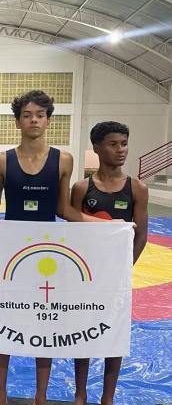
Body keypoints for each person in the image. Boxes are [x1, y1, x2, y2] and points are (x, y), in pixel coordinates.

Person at [0, 90, 101, 405]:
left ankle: (41, 396)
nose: (34, 120)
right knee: (3, 318)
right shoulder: (2, 160)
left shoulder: (64, 160)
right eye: (27, 115)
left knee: (45, 320)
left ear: (48, 121)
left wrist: (109, 226)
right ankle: (1, 394)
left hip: (47, 254)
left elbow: (64, 209)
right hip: (10, 253)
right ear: (18, 121)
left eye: (40, 115)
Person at [71, 121, 148, 405]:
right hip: (86, 277)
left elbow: (141, 235)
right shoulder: (82, 188)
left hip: (116, 280)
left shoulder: (137, 188)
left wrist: (124, 270)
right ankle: (80, 394)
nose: (121, 150)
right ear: (97, 148)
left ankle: (108, 398)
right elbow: (74, 233)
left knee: (114, 334)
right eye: (113, 144)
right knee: (82, 332)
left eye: (124, 144)